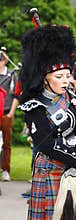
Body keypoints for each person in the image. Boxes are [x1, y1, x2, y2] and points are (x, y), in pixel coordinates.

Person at [18, 24, 76, 220]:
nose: (66, 81)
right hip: (50, 170)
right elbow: (44, 143)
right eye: (59, 77)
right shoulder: (34, 106)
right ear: (44, 79)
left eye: (68, 76)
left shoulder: (75, 99)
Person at [0, 49, 18, 181]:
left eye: (1, 60)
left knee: (7, 143)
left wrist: (12, 112)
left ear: (5, 60)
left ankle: (5, 170)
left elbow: (16, 95)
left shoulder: (12, 75)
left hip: (7, 112)